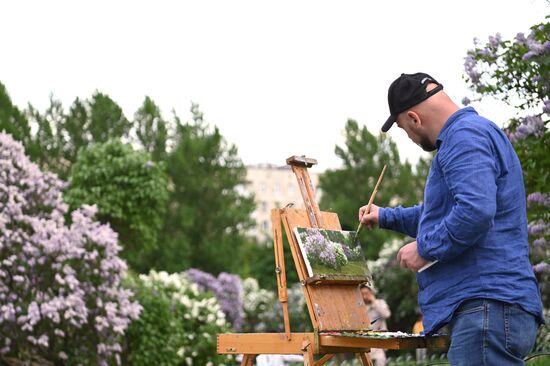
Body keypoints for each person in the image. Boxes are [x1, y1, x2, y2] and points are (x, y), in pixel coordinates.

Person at [358, 72, 544, 365]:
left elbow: (474, 212)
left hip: (487, 306)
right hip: (495, 308)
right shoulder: (473, 133)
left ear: (414, 118)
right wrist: (386, 216)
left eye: (405, 129)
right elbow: (446, 214)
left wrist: (425, 248)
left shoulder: (463, 137)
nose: (409, 137)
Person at [361, 283, 391, 366]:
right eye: (362, 294)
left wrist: (374, 301)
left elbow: (386, 314)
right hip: (364, 341)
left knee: (380, 361)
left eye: (366, 293)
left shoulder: (380, 303)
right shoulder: (360, 306)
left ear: (371, 293)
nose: (364, 296)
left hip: (379, 341)